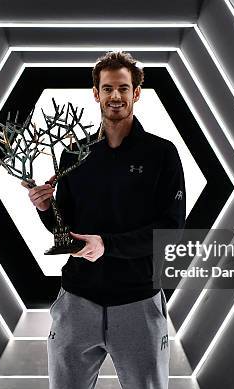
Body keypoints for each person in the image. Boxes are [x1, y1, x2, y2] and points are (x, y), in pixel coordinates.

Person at [23, 51, 186, 389]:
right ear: (96, 93)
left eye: (123, 88)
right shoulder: (74, 154)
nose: (116, 96)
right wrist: (44, 208)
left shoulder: (162, 154)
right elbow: (64, 232)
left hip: (138, 303)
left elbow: (171, 230)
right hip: (76, 303)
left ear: (136, 93)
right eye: (108, 88)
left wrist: (107, 245)